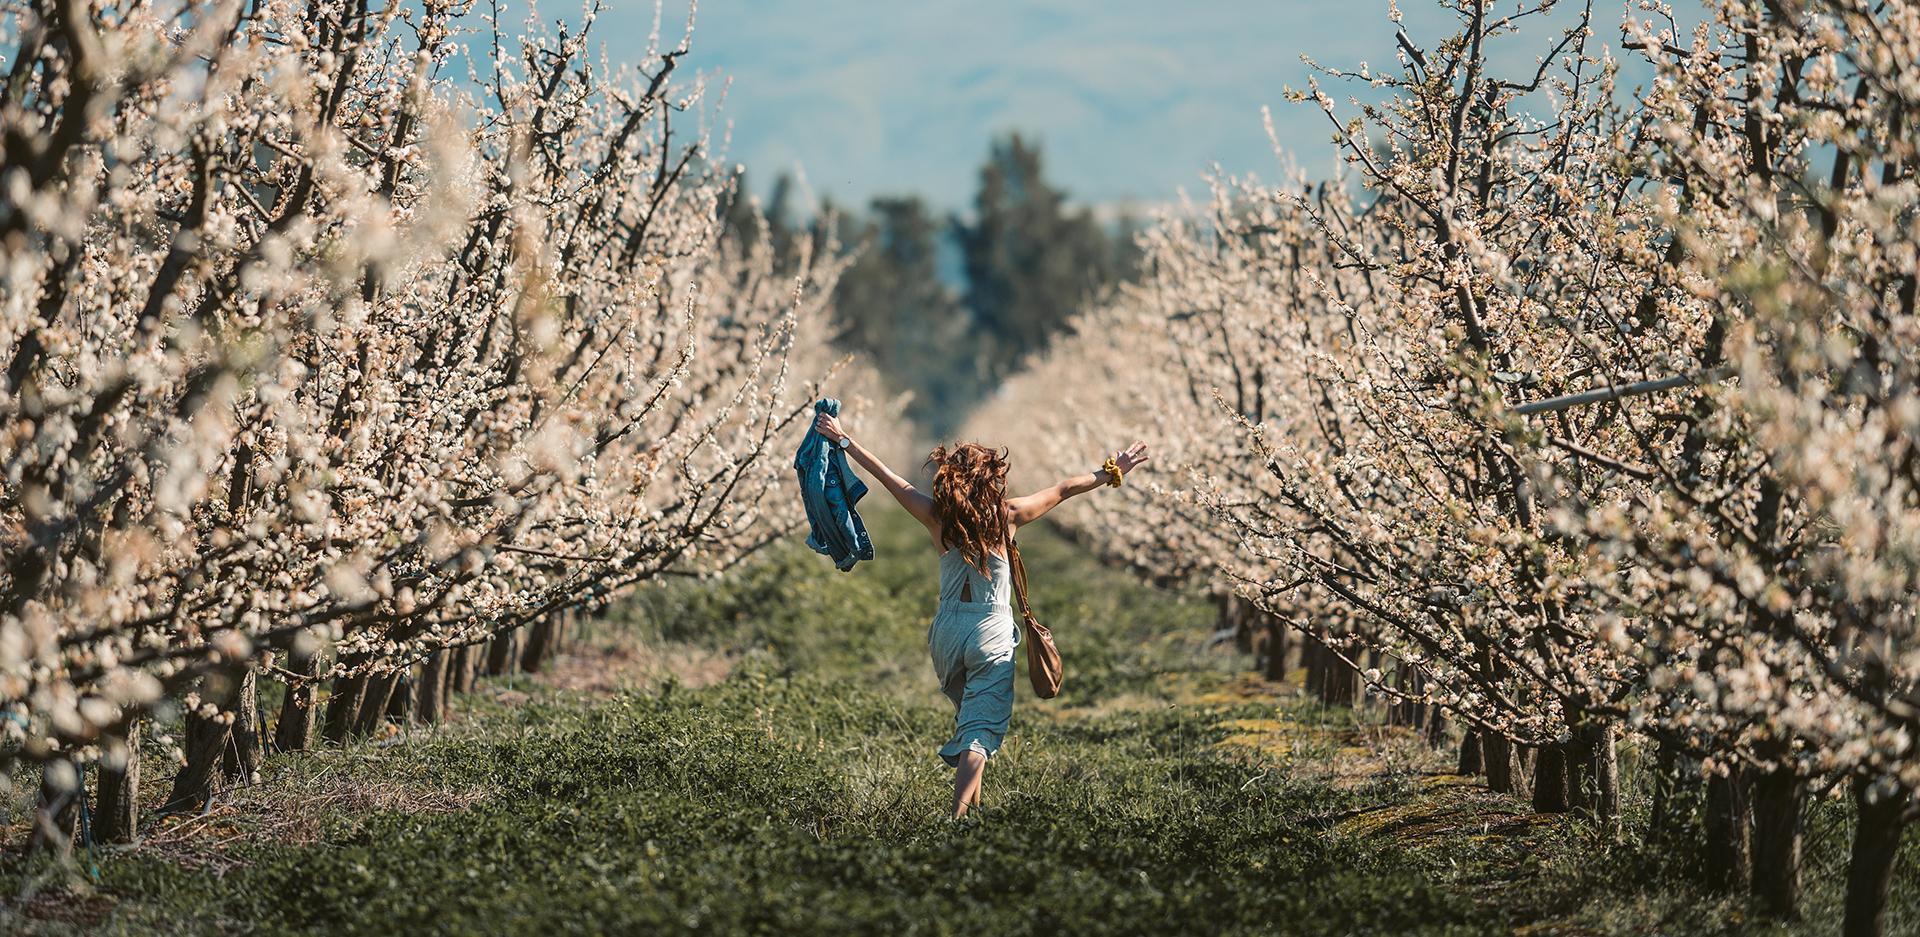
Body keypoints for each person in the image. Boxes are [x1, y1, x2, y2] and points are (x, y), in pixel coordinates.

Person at [810, 410, 1149, 817]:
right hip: (990, 629)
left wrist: (843, 440)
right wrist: (1113, 470)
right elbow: (1063, 489)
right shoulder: (1009, 515)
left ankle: (972, 811)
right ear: (991, 478)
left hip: (948, 632)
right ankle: (956, 820)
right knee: (979, 729)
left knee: (970, 720)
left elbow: (889, 477)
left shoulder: (936, 517)